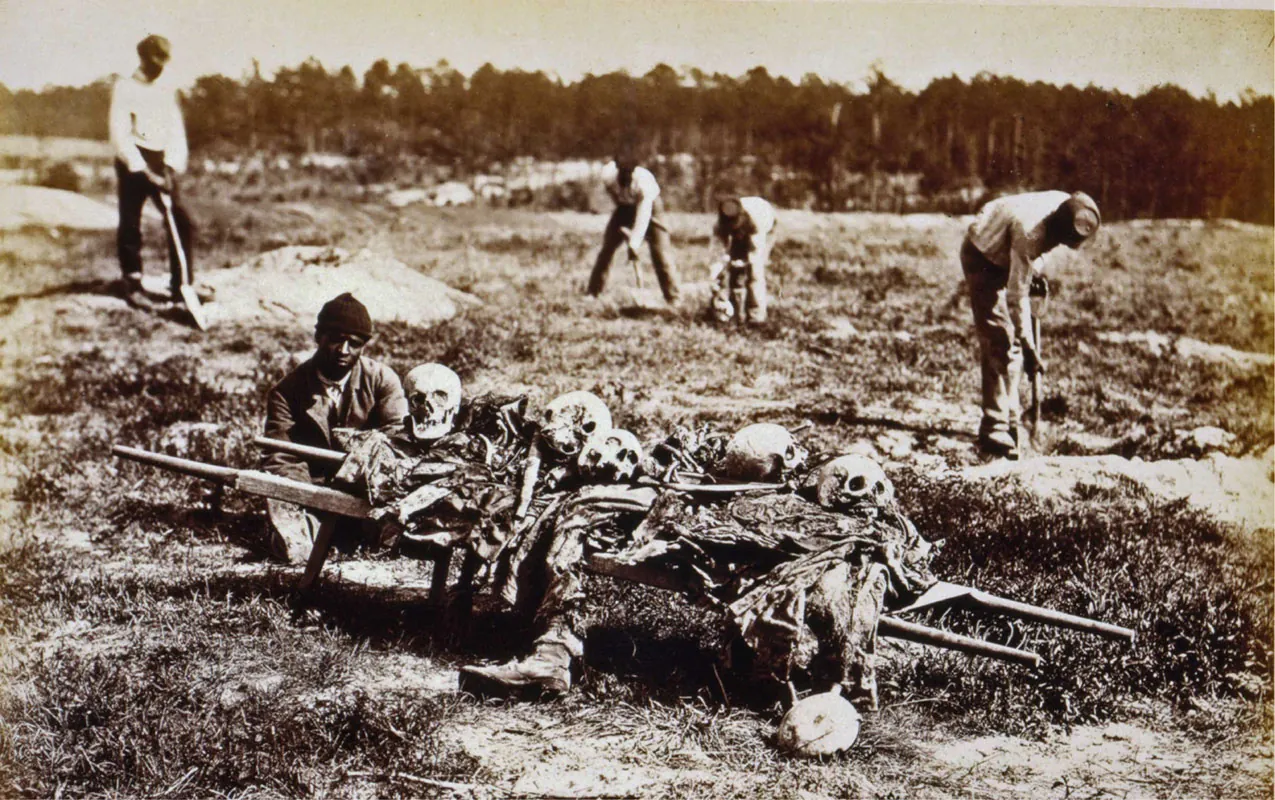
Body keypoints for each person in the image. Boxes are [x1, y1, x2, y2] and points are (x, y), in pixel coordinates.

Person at [260, 293, 408, 563]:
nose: (344, 350)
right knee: (295, 546)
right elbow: (281, 457)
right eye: (336, 339)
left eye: (355, 343)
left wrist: (360, 482)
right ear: (319, 337)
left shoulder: (382, 381)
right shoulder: (287, 391)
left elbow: (399, 441)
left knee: (392, 535)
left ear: (364, 346)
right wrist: (315, 499)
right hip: (312, 494)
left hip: (367, 493)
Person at [961, 190, 1100, 458]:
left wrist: (1034, 270)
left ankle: (1012, 419)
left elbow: (1039, 250)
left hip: (1009, 245)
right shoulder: (1030, 232)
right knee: (1000, 339)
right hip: (982, 254)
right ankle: (995, 427)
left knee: (1008, 344)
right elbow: (1016, 296)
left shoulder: (1066, 204)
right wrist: (1029, 345)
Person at [108, 35, 199, 303]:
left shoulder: (166, 89)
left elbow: (175, 131)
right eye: (155, 59)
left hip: (162, 159)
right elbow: (120, 134)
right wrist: (143, 171)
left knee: (181, 221)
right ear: (143, 57)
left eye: (164, 59)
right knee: (131, 222)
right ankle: (133, 283)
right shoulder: (125, 87)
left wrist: (170, 168)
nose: (160, 65)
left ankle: (182, 284)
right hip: (133, 160)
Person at [586, 149, 681, 304]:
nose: (625, 176)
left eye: (628, 173)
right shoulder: (607, 176)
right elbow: (599, 200)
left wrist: (634, 243)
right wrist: (622, 222)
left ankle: (674, 298)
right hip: (623, 208)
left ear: (634, 170)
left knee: (660, 252)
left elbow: (643, 216)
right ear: (616, 168)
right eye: (622, 171)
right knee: (606, 249)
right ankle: (593, 293)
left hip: (651, 210)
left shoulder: (644, 183)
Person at [710, 196, 777, 324]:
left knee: (754, 274)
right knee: (735, 274)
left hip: (765, 229)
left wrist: (744, 261)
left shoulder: (756, 220)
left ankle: (756, 317)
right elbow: (716, 254)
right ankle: (735, 315)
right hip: (746, 231)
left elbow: (756, 253)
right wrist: (715, 279)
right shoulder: (719, 225)